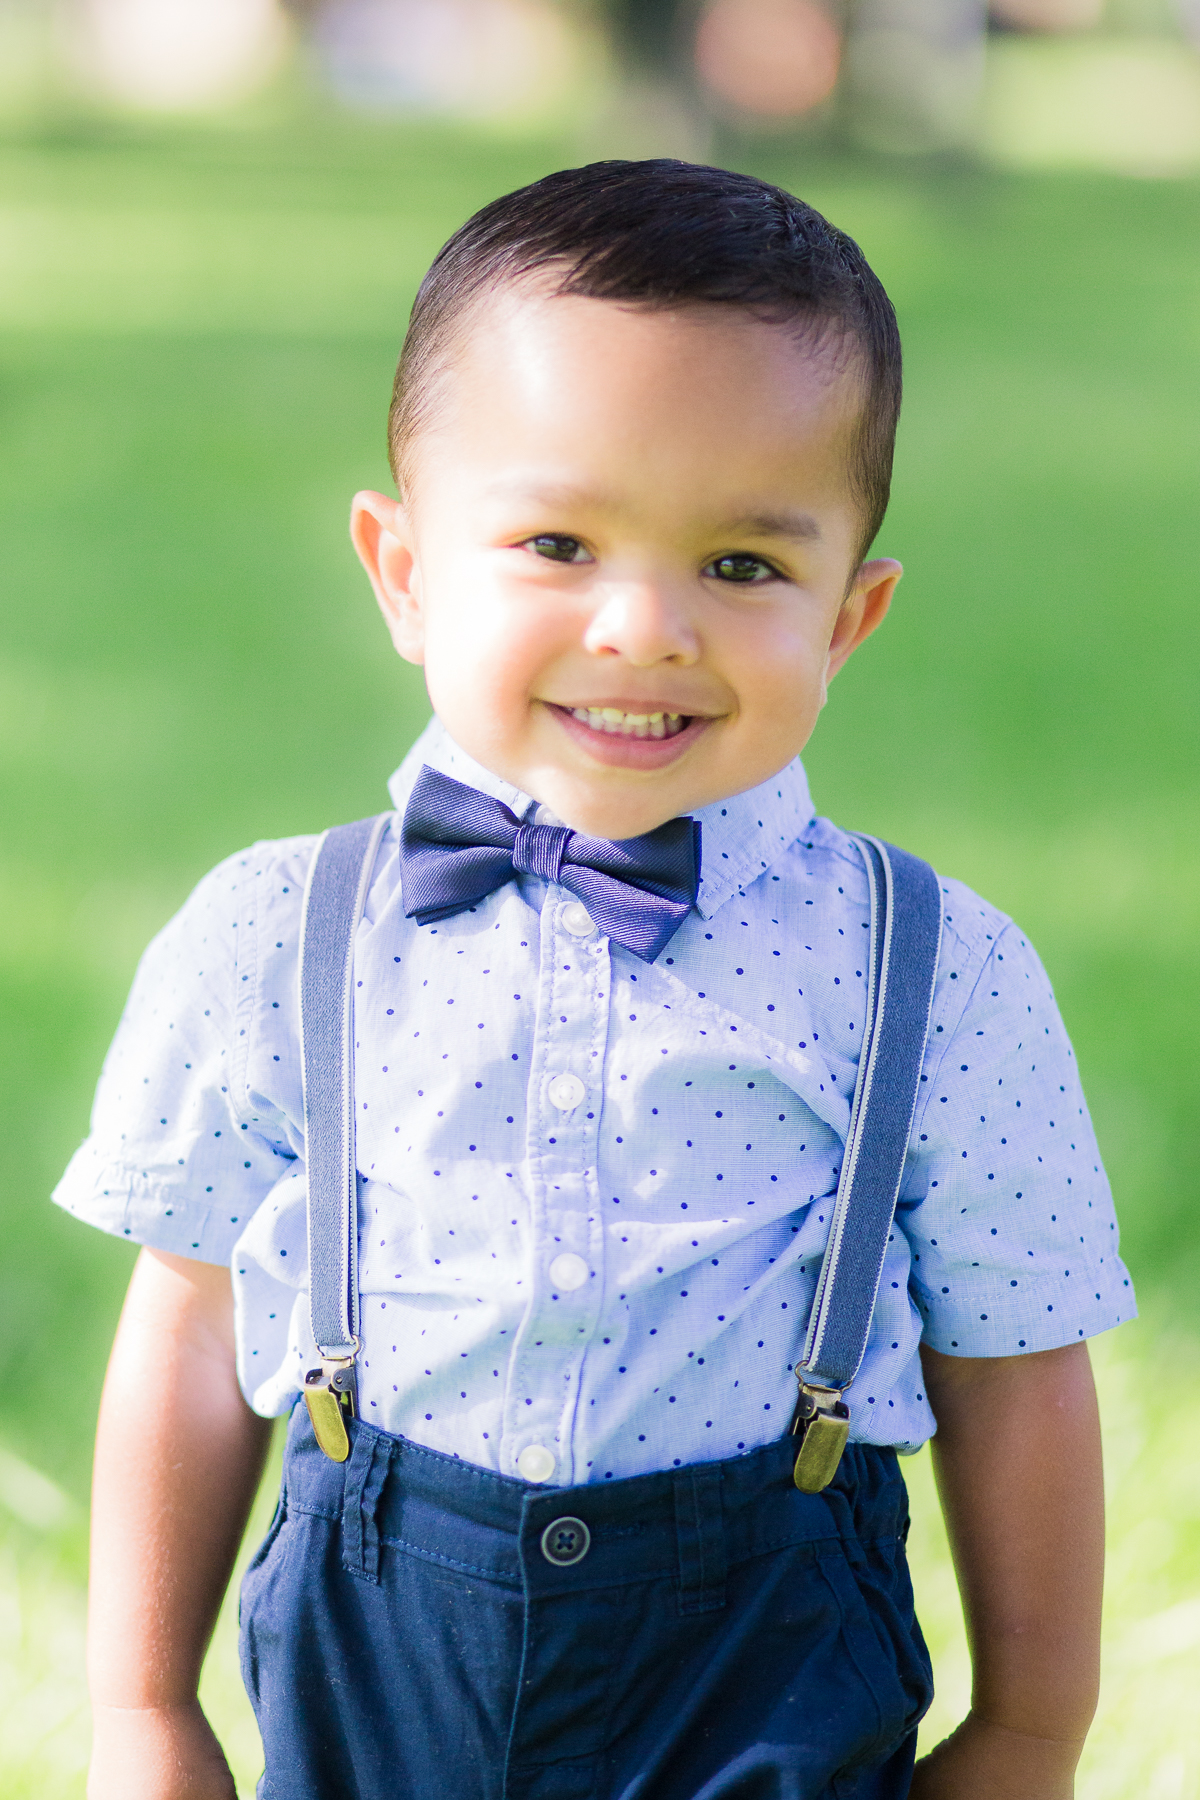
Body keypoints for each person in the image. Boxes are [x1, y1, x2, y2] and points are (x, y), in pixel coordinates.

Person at [59, 160, 1133, 1800]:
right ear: (407, 573)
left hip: (763, 1670)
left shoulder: (932, 970)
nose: (642, 627)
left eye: (744, 568)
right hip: (381, 1654)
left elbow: (1021, 1370)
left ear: (852, 616)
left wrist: (1031, 1730)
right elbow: (192, 1330)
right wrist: (145, 1711)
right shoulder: (278, 932)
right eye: (558, 540)